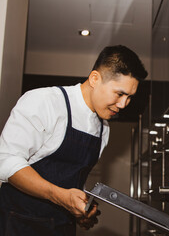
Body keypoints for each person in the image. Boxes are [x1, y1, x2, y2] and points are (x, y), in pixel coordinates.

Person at [0, 45, 148, 236]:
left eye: (129, 97)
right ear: (95, 78)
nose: (123, 105)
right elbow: (6, 161)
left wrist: (80, 211)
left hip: (63, 228)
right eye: (119, 94)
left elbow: (75, 179)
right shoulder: (44, 101)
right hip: (16, 224)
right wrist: (60, 196)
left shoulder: (104, 128)